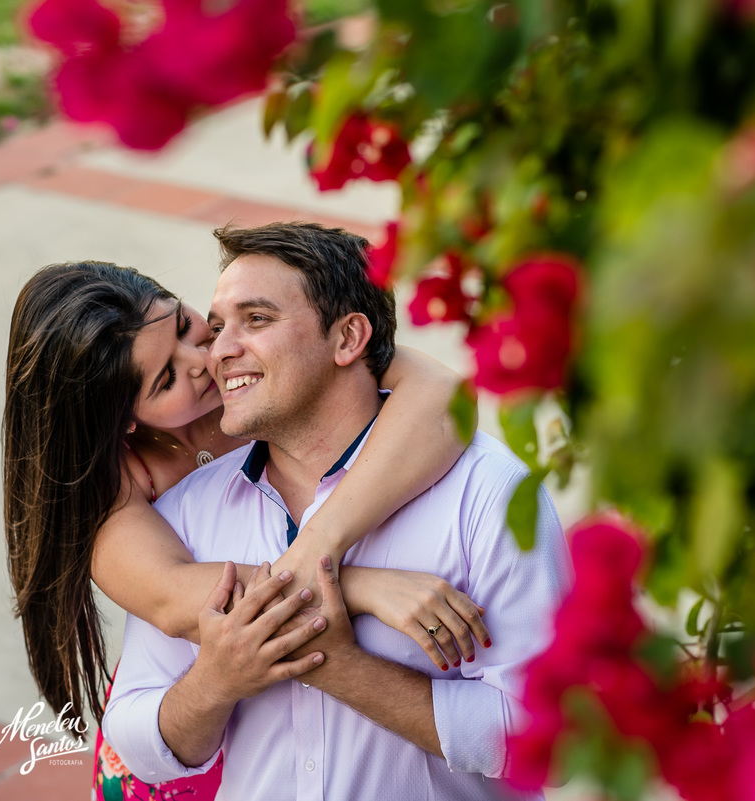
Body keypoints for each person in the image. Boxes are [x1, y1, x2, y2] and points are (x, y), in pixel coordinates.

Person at [101, 222, 572, 800]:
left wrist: (342, 667)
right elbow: (136, 743)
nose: (215, 352)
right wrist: (215, 682)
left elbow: (551, 743)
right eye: (219, 325)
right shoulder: (178, 512)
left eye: (256, 319)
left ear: (348, 338)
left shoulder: (487, 494)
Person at [3, 257, 488, 801]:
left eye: (186, 327)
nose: (205, 358)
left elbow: (445, 397)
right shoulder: (119, 484)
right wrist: (361, 585)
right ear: (127, 419)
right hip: (197, 736)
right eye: (166, 377)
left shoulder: (274, 368)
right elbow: (176, 597)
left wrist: (322, 542)